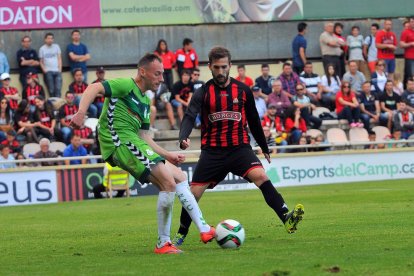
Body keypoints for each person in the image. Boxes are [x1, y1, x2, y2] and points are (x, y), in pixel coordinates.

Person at [70, 53, 215, 254]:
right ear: (142, 72)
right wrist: (81, 112)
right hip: (118, 141)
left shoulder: (146, 102)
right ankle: (163, 243)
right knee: (168, 183)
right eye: (157, 74)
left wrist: (167, 155)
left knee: (179, 177)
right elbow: (94, 87)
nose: (162, 79)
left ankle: (205, 229)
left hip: (133, 141)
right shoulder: (125, 85)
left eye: (163, 74)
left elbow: (144, 137)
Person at [174, 46, 304, 246]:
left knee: (261, 176)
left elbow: (253, 119)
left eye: (224, 67)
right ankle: (182, 233)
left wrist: (264, 146)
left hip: (240, 148)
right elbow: (190, 115)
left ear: (230, 66)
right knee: (193, 194)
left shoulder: (243, 90)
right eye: (216, 67)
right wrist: (184, 136)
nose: (220, 71)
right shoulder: (203, 92)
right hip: (213, 152)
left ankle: (286, 218)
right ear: (210, 67)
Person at [39, 32, 62, 98]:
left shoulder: (56, 47)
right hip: (48, 71)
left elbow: (59, 58)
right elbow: (41, 61)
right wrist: (44, 70)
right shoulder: (42, 49)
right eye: (48, 38)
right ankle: (52, 105)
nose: (50, 40)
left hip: (57, 70)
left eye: (51, 38)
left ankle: (58, 105)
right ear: (45, 39)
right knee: (51, 90)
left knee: (58, 89)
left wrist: (60, 69)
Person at [400, 17, 414, 87]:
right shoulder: (405, 32)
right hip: (409, 57)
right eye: (411, 22)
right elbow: (401, 44)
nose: (413, 23)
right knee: (409, 74)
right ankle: (406, 90)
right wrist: (411, 44)